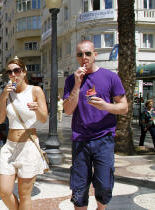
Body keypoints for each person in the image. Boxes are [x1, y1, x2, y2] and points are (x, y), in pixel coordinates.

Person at [63, 40, 128, 210]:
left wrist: (105, 106)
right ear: (76, 57)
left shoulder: (110, 77)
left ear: (95, 55)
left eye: (88, 53)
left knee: (104, 187)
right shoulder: (71, 80)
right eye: (80, 54)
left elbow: (124, 107)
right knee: (79, 189)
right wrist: (77, 84)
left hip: (104, 140)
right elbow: (68, 110)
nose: (84, 57)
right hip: (80, 140)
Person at [0, 58, 48, 210]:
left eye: (16, 71)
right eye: (10, 72)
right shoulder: (7, 93)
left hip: (29, 147)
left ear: (24, 72)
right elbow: (0, 120)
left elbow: (44, 119)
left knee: (24, 194)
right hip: (10, 147)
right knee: (4, 192)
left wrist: (37, 109)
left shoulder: (35, 90)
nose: (13, 74)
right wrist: (3, 97)